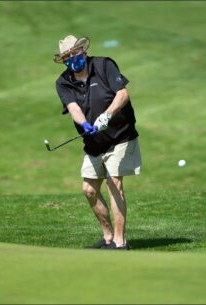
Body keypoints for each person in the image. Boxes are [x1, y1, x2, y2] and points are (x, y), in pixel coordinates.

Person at [54, 35, 141, 250]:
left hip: (121, 136)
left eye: (76, 53)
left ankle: (120, 243)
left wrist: (107, 115)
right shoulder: (63, 82)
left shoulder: (104, 65)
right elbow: (73, 107)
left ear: (83, 51)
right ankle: (108, 237)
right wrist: (84, 124)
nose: (73, 58)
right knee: (89, 190)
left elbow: (122, 94)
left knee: (114, 184)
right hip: (94, 142)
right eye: (67, 56)